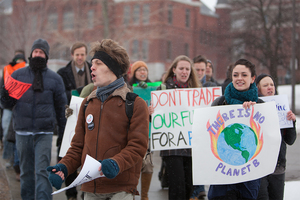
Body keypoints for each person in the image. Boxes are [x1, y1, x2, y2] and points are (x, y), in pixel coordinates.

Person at [47, 39, 149, 200]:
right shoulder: (87, 103)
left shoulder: (135, 104)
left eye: (98, 63)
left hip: (121, 189)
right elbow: (77, 147)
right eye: (92, 63)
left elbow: (138, 147)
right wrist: (63, 167)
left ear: (113, 67)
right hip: (90, 189)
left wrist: (116, 163)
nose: (92, 67)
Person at [0, 38, 67, 200]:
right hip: (22, 132)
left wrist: (64, 133)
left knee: (42, 171)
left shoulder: (55, 79)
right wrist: (4, 92)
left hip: (44, 132)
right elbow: (7, 103)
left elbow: (61, 108)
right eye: (36, 51)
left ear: (46, 56)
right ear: (31, 54)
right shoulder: (18, 75)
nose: (38, 55)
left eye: (41, 52)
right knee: (26, 172)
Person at [208, 58, 262, 200]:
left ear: (252, 79)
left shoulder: (261, 105)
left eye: (244, 75)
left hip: (249, 178)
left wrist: (290, 121)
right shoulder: (219, 103)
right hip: (222, 177)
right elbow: (208, 135)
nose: (239, 78)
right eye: (235, 75)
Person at [149, 55, 200, 200]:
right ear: (174, 70)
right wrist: (150, 113)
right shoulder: (163, 90)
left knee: (190, 187)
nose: (184, 72)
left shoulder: (196, 92)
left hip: (191, 148)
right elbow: (157, 120)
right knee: (177, 189)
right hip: (172, 148)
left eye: (187, 69)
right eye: (181, 68)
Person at [57, 42, 92, 200]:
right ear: (72, 55)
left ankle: (87, 191)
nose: (79, 57)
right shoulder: (62, 73)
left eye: (82, 54)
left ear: (86, 55)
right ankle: (71, 194)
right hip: (68, 119)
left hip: (90, 119)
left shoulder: (93, 70)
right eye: (77, 54)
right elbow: (58, 94)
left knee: (89, 155)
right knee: (68, 154)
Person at [256, 74, 296, 200]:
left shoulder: (282, 107)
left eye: (272, 84)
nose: (270, 87)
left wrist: (292, 122)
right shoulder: (254, 107)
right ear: (258, 88)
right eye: (265, 85)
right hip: (259, 166)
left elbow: (290, 140)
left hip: (278, 166)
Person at [129, 60, 153, 200]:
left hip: (149, 132)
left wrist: (153, 111)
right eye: (139, 70)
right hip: (134, 131)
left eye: (145, 69)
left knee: (148, 165)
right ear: (134, 73)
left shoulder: (154, 89)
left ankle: (144, 196)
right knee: (134, 164)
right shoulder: (129, 88)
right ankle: (131, 193)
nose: (143, 72)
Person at [0, 52, 26, 181]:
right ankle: (11, 159)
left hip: (19, 107)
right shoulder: (7, 69)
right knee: (8, 134)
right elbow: (3, 87)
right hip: (9, 106)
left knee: (15, 136)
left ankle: (16, 163)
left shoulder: (26, 71)